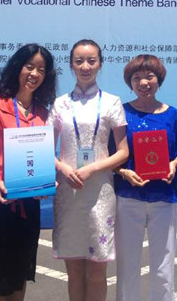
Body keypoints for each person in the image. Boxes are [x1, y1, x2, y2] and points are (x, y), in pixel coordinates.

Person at [0, 44, 57, 301]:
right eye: (29, 66)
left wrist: (45, 182)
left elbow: (43, 156)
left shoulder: (43, 113)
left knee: (19, 278)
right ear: (17, 68)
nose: (34, 74)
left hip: (28, 205)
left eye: (41, 69)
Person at [49, 39, 129, 301]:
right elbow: (45, 150)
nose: (85, 66)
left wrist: (92, 168)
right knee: (73, 272)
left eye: (91, 61)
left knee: (97, 271)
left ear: (100, 64)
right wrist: (63, 167)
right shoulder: (59, 104)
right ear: (71, 65)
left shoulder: (112, 102)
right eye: (79, 61)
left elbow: (123, 152)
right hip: (68, 192)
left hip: (99, 192)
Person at [114, 54, 177, 301]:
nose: (143, 82)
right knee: (127, 264)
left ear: (159, 80)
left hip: (164, 196)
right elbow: (109, 155)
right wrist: (123, 171)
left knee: (163, 265)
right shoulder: (121, 113)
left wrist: (173, 164)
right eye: (136, 78)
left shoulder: (172, 114)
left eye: (149, 76)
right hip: (128, 196)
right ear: (130, 83)